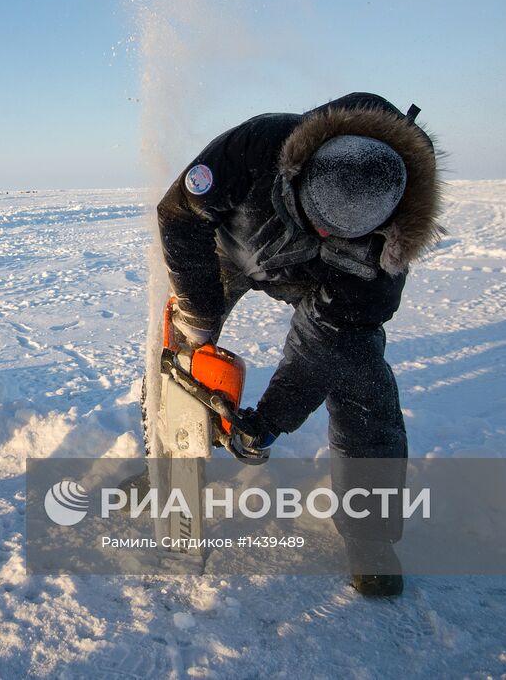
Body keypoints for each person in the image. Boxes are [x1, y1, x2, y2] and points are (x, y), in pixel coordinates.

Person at [156, 92, 441, 597]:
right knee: (183, 353)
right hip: (227, 254)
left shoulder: (378, 265)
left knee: (360, 379)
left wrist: (269, 421)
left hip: (316, 285)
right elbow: (180, 215)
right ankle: (169, 472)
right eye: (312, 216)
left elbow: (325, 347)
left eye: (335, 232)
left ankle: (370, 532)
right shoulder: (260, 143)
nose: (320, 230)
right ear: (300, 169)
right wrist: (198, 315)